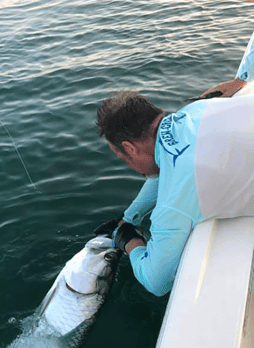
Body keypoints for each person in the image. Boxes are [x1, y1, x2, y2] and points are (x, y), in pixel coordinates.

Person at [95, 42, 254, 297]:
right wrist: (130, 217)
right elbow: (169, 167)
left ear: (130, 148)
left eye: (123, 158)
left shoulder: (174, 205)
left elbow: (156, 280)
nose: (130, 166)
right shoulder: (196, 110)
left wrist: (128, 241)